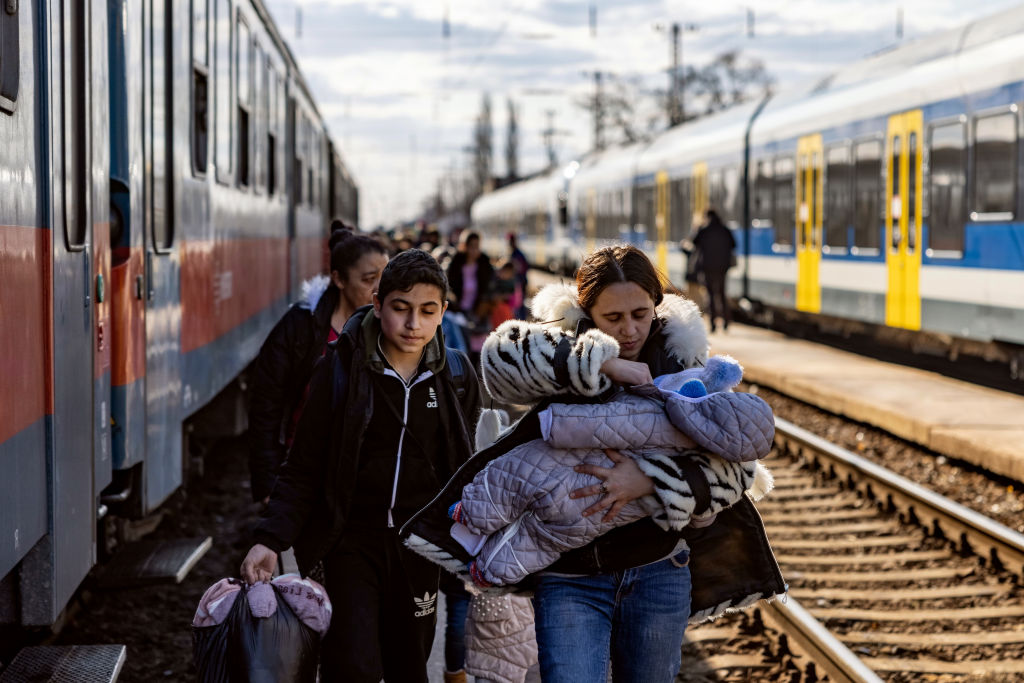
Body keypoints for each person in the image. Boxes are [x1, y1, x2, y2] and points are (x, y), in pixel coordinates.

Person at [400, 245, 784, 683]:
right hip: (569, 578)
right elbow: (499, 361)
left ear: (656, 306)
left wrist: (649, 482)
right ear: (586, 312)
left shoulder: (683, 360)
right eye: (613, 319)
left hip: (657, 570)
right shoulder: (561, 347)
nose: (630, 330)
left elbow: (735, 470)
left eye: (640, 314)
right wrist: (603, 363)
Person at [240, 249, 481, 683]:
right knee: (352, 665)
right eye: (401, 309)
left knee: (410, 664)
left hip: (419, 549)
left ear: (443, 312)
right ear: (378, 303)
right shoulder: (340, 371)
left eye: (428, 311)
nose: (413, 324)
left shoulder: (456, 377)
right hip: (352, 543)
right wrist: (269, 538)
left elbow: (464, 466)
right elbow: (304, 466)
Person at [247, 226, 388, 505]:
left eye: (386, 278)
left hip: (368, 480)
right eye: (369, 279)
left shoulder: (394, 328)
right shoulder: (300, 328)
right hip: (302, 473)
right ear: (338, 279)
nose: (380, 290)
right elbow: (265, 406)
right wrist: (268, 484)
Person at [446, 230, 495, 364]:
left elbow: (491, 287)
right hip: (459, 313)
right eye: (471, 246)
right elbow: (448, 286)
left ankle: (475, 375)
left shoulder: (485, 264)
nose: (475, 250)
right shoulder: (455, 263)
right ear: (464, 246)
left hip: (479, 312)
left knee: (478, 349)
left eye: (477, 246)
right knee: (462, 347)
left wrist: (484, 305)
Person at [692, 209, 736, 332]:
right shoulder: (725, 230)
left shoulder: (704, 230)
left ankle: (713, 325)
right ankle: (726, 322)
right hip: (722, 267)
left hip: (707, 267)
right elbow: (733, 244)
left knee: (711, 295)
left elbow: (695, 243)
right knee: (722, 294)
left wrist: (698, 227)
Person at [507, 232, 530, 318]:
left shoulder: (517, 255)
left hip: (519, 283)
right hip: (520, 282)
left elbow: (522, 268)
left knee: (519, 305)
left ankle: (521, 320)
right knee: (518, 304)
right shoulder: (517, 253)